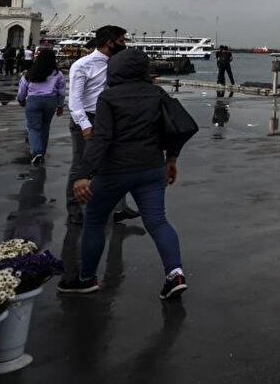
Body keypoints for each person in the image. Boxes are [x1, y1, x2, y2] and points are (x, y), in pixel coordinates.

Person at [58, 48, 190, 300]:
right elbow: (174, 126)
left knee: (95, 222)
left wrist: (84, 174)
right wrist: (171, 158)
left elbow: (102, 138)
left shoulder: (109, 97)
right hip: (151, 168)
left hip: (113, 171)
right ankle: (175, 274)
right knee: (158, 222)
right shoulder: (157, 93)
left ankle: (86, 278)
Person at [66, 25, 138, 226]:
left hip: (111, 119)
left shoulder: (118, 65)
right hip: (87, 119)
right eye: (122, 41)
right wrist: (85, 125)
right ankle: (75, 212)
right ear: (110, 42)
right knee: (81, 166)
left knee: (116, 163)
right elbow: (74, 99)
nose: (125, 45)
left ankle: (119, 208)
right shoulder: (82, 65)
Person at [17, 48, 66, 165]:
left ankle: (36, 152)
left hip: (34, 101)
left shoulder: (30, 72)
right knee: (45, 126)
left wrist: (21, 100)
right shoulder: (57, 73)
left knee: (34, 128)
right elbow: (61, 91)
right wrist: (60, 105)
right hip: (51, 101)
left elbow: (22, 89)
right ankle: (42, 152)